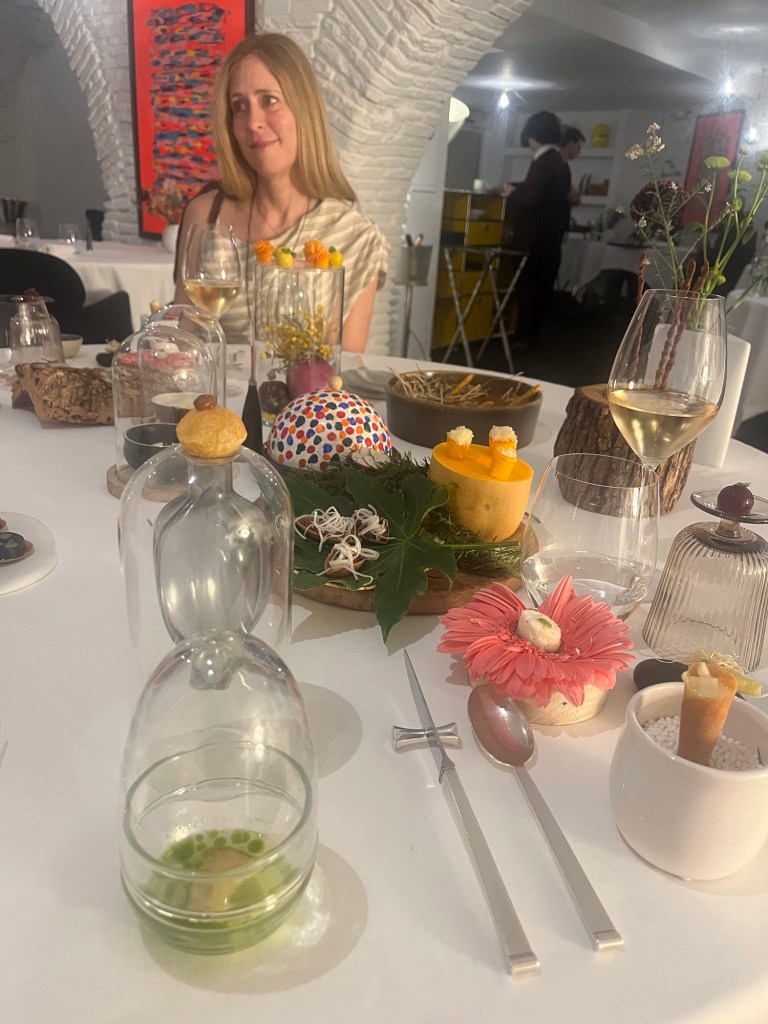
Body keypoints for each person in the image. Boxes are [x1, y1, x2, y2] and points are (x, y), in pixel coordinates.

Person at [175, 33, 388, 351]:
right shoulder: (206, 215)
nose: (253, 122)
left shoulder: (355, 236)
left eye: (269, 100)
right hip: (212, 386)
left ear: (304, 108)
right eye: (239, 106)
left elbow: (342, 372)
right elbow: (184, 348)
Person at [503, 111, 571, 347]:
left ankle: (523, 336)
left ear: (533, 135)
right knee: (541, 289)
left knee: (527, 289)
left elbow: (531, 200)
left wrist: (512, 193)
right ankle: (531, 335)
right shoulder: (560, 162)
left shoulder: (543, 161)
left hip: (532, 239)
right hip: (551, 239)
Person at [560, 125, 585, 207]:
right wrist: (569, 197)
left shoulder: (564, 165)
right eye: (578, 147)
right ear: (570, 144)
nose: (579, 152)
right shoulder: (555, 164)